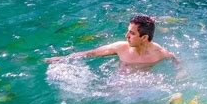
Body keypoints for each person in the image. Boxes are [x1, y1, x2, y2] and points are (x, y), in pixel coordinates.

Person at [45, 15, 178, 66]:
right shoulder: (121, 47)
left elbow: (173, 57)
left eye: (132, 33)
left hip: (144, 88)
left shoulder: (158, 53)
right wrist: (64, 58)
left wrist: (180, 71)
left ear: (144, 37)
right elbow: (91, 53)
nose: (126, 35)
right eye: (128, 31)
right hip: (118, 87)